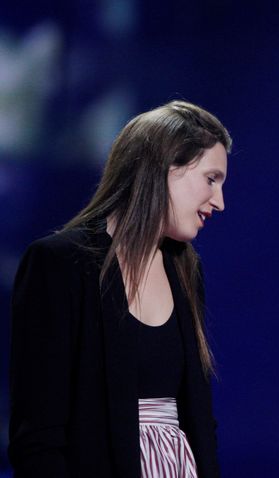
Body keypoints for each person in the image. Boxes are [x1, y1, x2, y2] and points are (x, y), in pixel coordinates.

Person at [8, 100, 231, 477]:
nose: (220, 202)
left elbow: (200, 421)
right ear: (167, 167)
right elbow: (38, 436)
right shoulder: (61, 264)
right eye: (211, 179)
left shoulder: (185, 271)